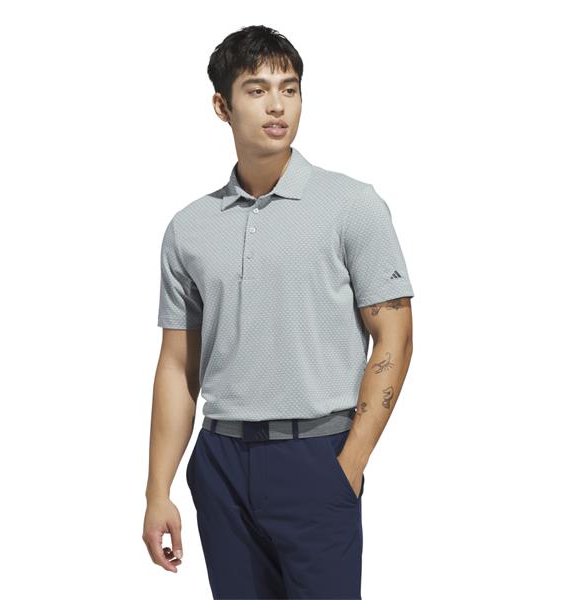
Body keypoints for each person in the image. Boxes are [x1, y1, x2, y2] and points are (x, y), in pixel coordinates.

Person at [143, 24, 415, 600]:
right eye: (257, 89)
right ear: (222, 106)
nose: (277, 105)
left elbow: (394, 337)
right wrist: (157, 490)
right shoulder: (189, 229)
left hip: (318, 455)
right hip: (220, 462)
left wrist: (349, 464)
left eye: (289, 89)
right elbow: (177, 365)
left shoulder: (351, 205)